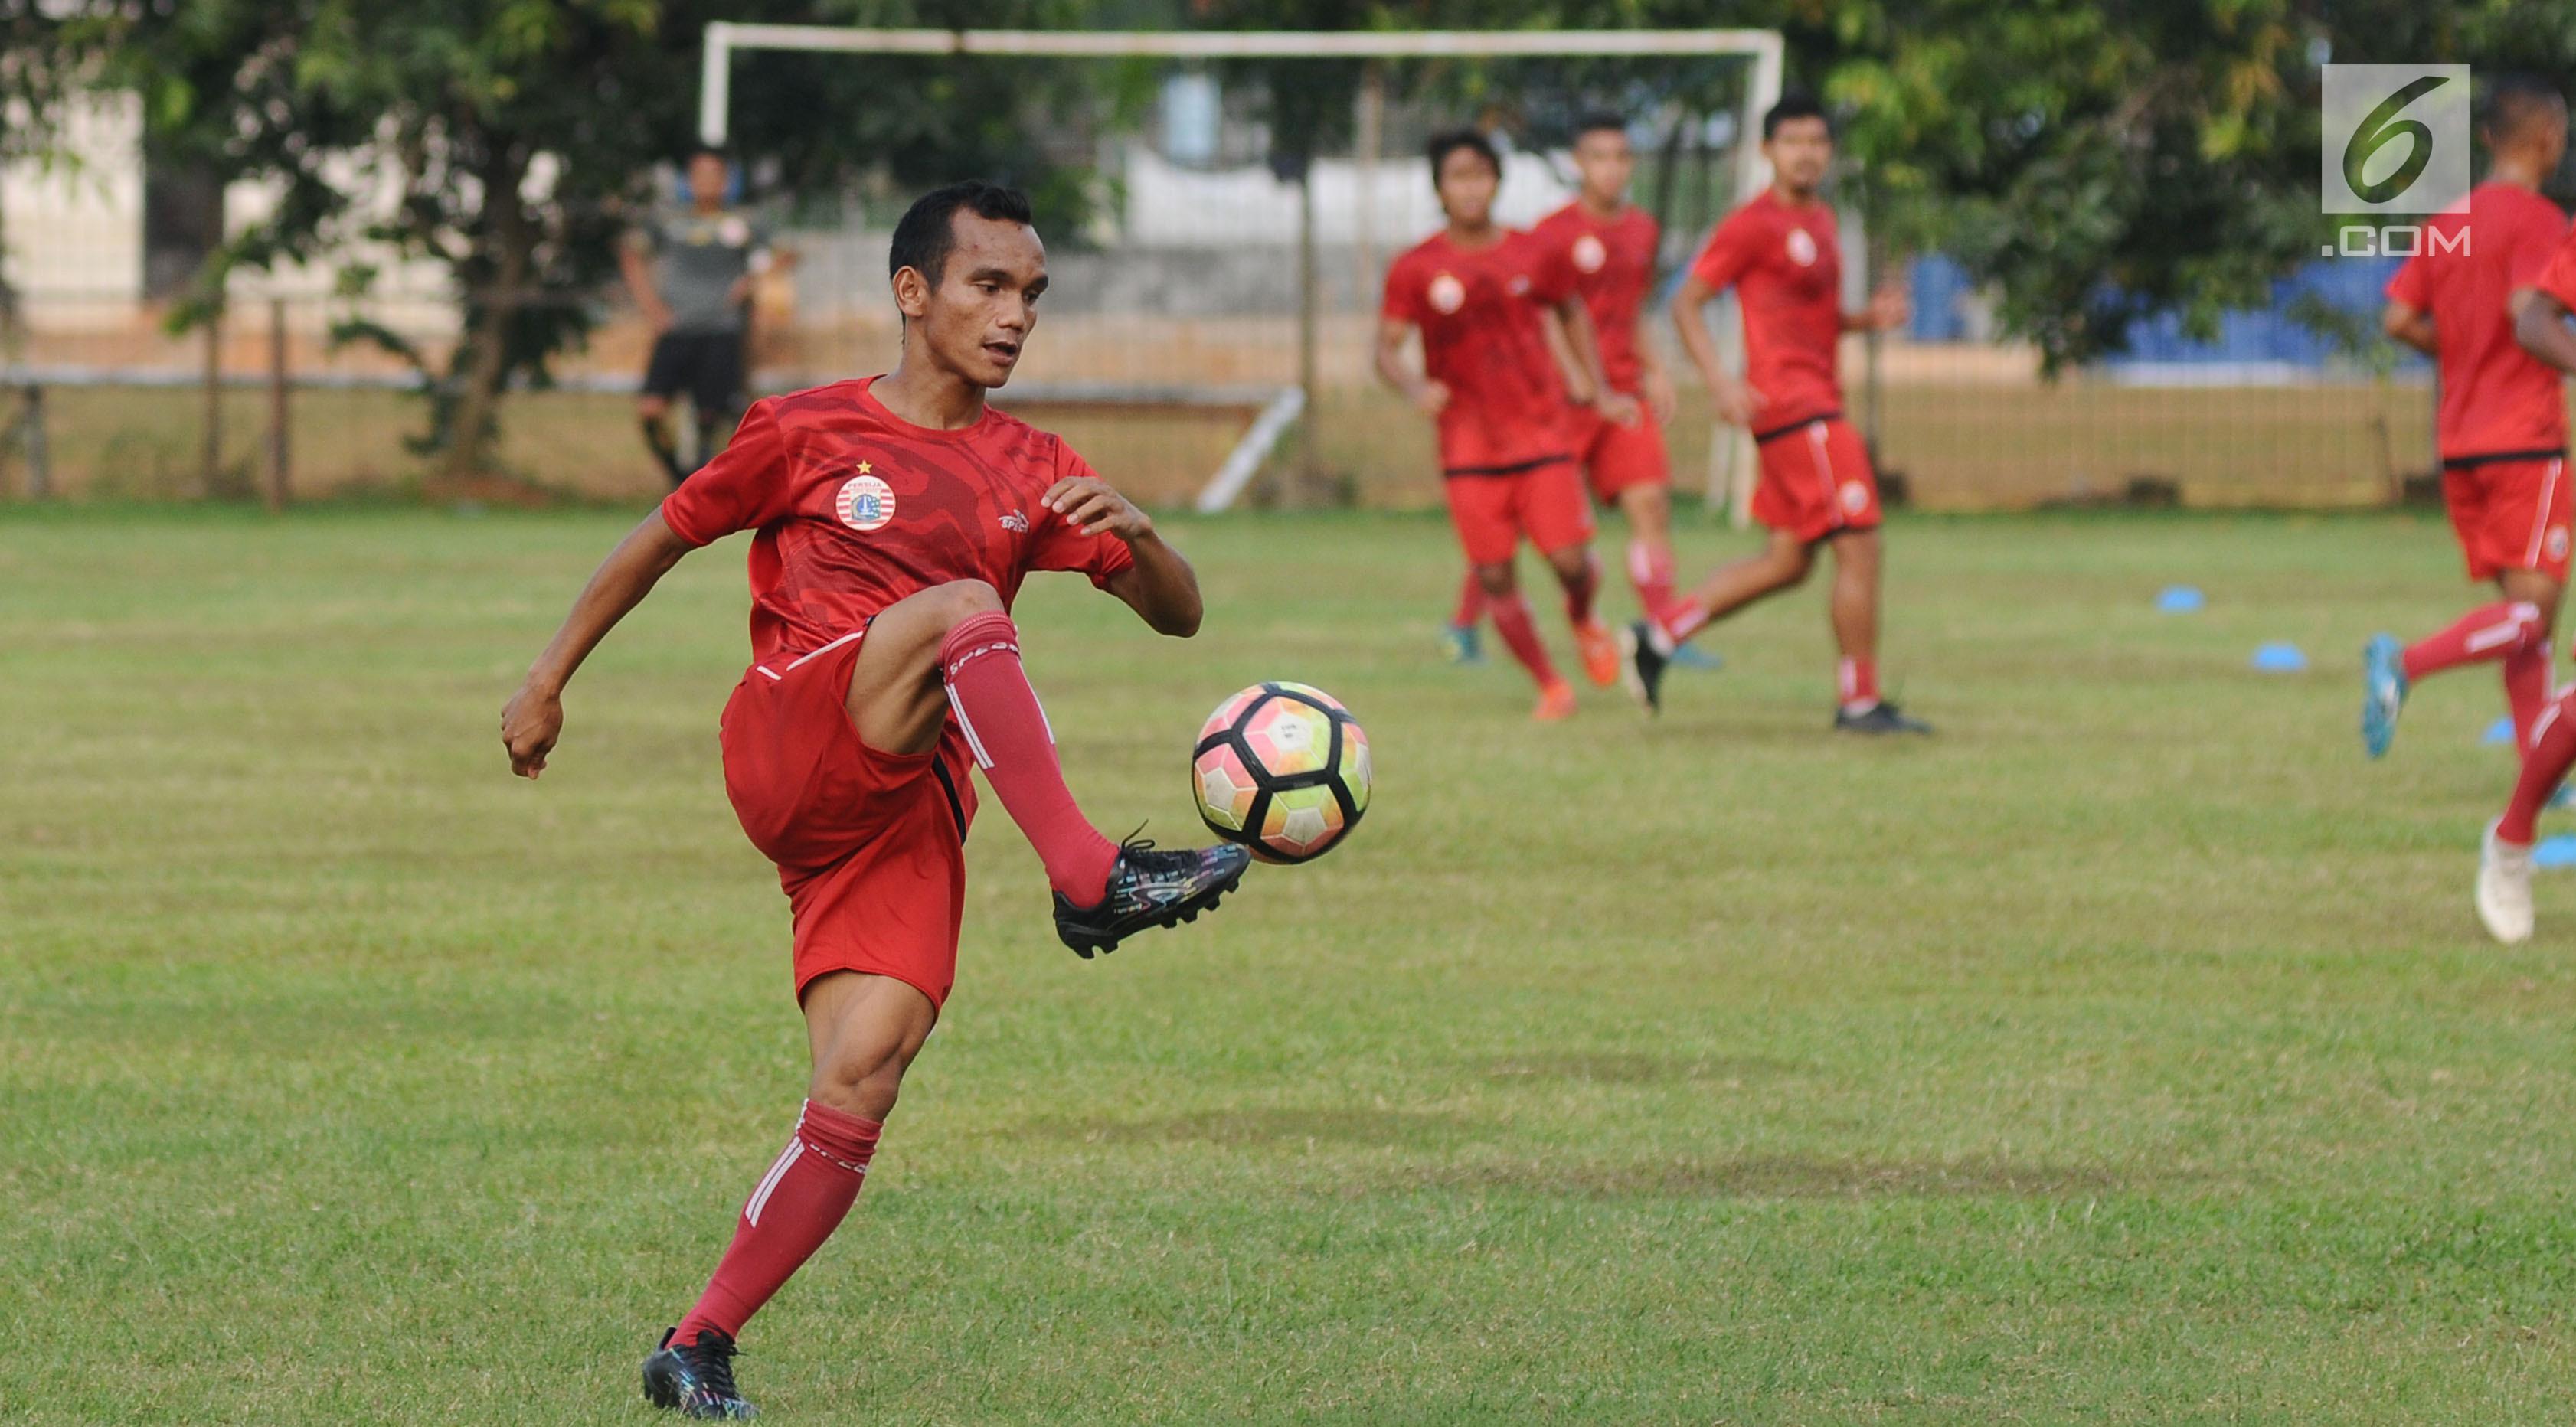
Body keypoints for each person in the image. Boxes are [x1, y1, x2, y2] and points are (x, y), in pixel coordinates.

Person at [502, 181, 1254, 1418]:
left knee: (862, 1072)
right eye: (988, 285)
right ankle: (1085, 877)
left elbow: (1177, 615)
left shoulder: (1037, 466)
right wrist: (545, 679)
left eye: (1031, 295)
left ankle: (696, 1343)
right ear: (912, 291)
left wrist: (1147, 533)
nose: (1014, 315)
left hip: (905, 803)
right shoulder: (803, 427)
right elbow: (661, 532)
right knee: (967, 604)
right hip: (793, 731)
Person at [1620, 92, 1926, 734]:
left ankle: (1659, 635)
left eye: (1817, 141)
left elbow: (1809, 320)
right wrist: (1722, 383)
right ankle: (1860, 702)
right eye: (1793, 142)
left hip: (1812, 403)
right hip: (1796, 409)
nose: (1806, 153)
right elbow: (1687, 303)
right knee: (1861, 545)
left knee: (1789, 561)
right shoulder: (1751, 223)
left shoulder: (1819, 220)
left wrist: (1866, 319)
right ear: (1766, 151)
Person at [1378, 129, 1634, 720]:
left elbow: (1572, 311)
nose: (1469, 187)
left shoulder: (1534, 251)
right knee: (1494, 576)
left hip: (1541, 435)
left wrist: (1597, 390)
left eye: (1479, 175)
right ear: (1440, 189)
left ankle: (1583, 616)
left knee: (1571, 563)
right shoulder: (1418, 267)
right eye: (1456, 177)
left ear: (1496, 181)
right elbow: (1385, 348)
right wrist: (1414, 385)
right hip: (1468, 447)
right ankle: (1550, 684)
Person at [2366, 77, 2571, 771]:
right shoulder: (2541, 222)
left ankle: (2541, 766)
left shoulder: (2445, 223)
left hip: (2460, 446)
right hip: (2523, 442)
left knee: (2524, 627)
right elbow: (2526, 313)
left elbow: (2397, 319)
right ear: (2550, 139)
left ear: (2488, 138)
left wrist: (2460, 349)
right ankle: (2406, 662)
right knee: (2533, 617)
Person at [1523, 113, 1687, 642]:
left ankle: (1664, 631)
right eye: (1599, 157)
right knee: (1542, 523)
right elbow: (1545, 315)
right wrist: (1580, 382)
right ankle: (1468, 622)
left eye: (1621, 157)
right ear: (1578, 163)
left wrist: (1656, 369)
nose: (1611, 169)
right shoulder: (1552, 233)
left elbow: (1634, 308)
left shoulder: (1642, 229)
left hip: (1624, 393)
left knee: (1651, 502)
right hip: (1564, 398)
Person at [621, 145, 796, 488]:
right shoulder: (668, 219)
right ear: (688, 180)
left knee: (711, 418)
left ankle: (702, 487)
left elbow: (785, 254)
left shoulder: (743, 220)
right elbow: (632, 254)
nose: (707, 182)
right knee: (652, 411)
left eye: (715, 175)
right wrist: (651, 307)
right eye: (699, 174)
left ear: (727, 180)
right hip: (675, 329)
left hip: (721, 330)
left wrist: (753, 280)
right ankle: (677, 478)